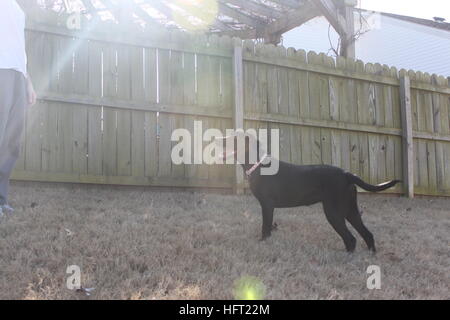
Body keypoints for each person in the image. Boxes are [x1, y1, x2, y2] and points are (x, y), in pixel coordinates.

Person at [0, 0, 37, 217]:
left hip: (17, 76)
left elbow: (20, 50)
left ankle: (2, 199)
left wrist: (28, 82)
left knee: (11, 143)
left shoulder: (18, 9)